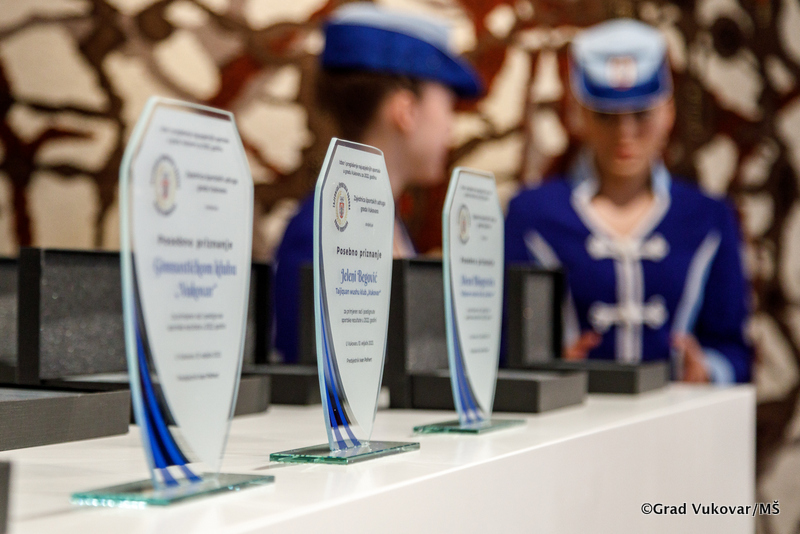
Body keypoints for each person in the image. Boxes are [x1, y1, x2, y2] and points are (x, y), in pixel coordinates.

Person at [504, 19, 751, 383]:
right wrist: (541, 368)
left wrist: (707, 370)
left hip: (679, 415)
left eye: (641, 114)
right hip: (574, 415)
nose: (625, 133)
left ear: (668, 112)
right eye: (607, 116)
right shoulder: (532, 215)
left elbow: (735, 350)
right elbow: (504, 346)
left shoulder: (708, 217)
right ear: (580, 114)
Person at [273, 3, 483, 363]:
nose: (451, 128)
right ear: (406, 111)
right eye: (447, 106)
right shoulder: (322, 234)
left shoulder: (380, 222)